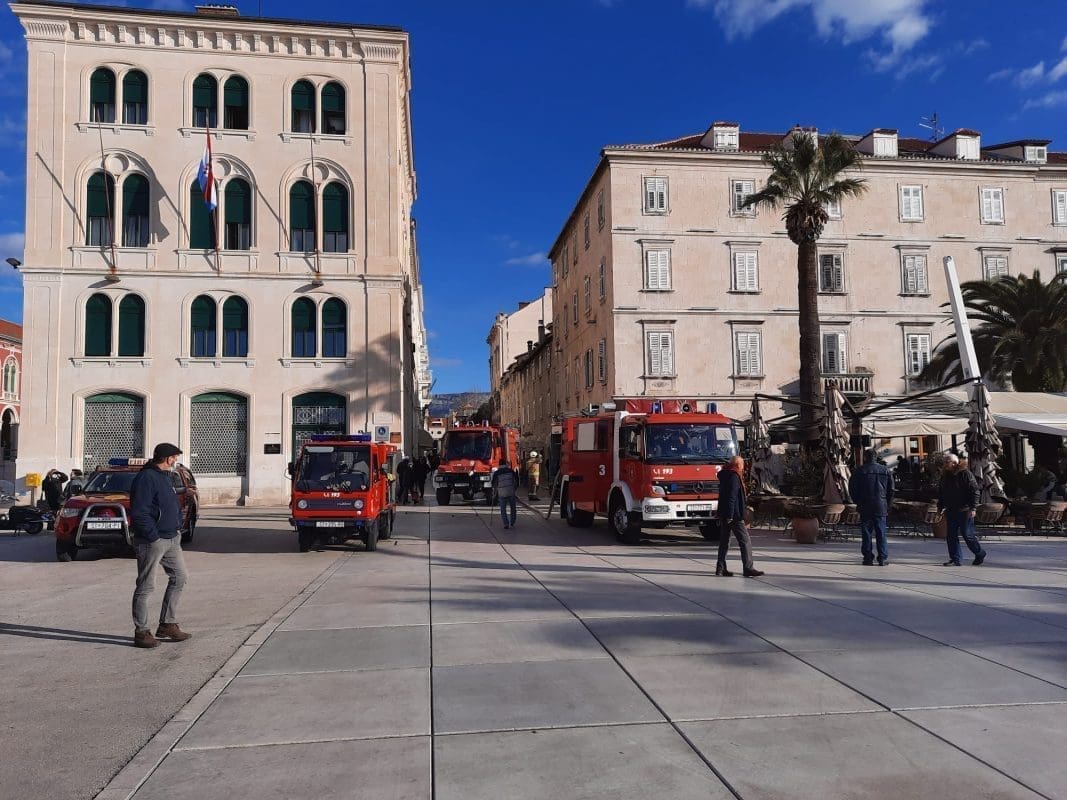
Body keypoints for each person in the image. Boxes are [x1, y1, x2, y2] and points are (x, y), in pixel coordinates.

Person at [130, 443, 191, 649]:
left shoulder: (165, 477)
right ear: (167, 458)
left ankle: (167, 624)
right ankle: (141, 631)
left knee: (180, 577)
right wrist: (152, 536)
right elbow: (140, 511)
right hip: (152, 541)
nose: (175, 461)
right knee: (146, 586)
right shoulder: (146, 478)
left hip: (172, 538)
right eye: (174, 457)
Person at [715, 455, 763, 577]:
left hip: (724, 513)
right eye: (741, 464)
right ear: (737, 465)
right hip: (734, 515)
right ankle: (748, 568)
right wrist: (731, 515)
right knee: (745, 541)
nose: (743, 467)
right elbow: (732, 497)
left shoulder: (725, 475)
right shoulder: (734, 477)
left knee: (724, 542)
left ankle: (720, 568)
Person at [937, 453, 987, 567]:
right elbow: (942, 493)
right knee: (951, 535)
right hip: (950, 509)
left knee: (967, 534)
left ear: (954, 463)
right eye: (944, 462)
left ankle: (979, 553)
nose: (944, 464)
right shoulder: (945, 476)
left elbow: (975, 491)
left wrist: (973, 507)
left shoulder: (965, 474)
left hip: (964, 509)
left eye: (947, 462)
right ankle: (955, 559)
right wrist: (940, 507)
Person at [849, 449, 895, 566]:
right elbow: (891, 490)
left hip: (865, 505)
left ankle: (868, 558)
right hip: (881, 505)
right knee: (881, 532)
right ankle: (882, 558)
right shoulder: (885, 471)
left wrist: (858, 501)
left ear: (865, 457)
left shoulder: (859, 471)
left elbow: (852, 489)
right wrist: (888, 504)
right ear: (876, 457)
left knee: (866, 533)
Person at [491, 458, 519, 529]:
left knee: (503, 509)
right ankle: (512, 522)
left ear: (499, 464)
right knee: (513, 508)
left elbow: (493, 483)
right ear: (505, 464)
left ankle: (506, 524)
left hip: (501, 493)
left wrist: (495, 491)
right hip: (511, 492)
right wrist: (514, 489)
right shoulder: (511, 471)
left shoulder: (496, 473)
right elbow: (516, 481)